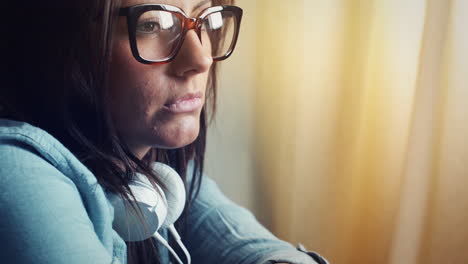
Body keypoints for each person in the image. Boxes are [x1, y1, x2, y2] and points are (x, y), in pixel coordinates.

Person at [0, 0, 328, 263]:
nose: (200, 58)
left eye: (205, 18)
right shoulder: (17, 177)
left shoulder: (154, 171)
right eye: (152, 24)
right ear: (58, 40)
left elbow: (252, 247)